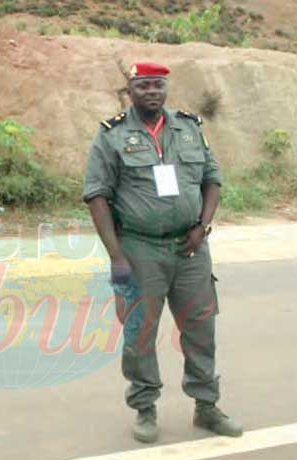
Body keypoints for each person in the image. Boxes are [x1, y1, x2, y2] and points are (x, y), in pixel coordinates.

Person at [82, 62, 242, 443]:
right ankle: (144, 407)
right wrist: (116, 256)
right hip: (140, 248)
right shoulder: (112, 135)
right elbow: (97, 196)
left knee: (200, 328)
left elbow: (212, 179)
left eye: (158, 85)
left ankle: (206, 406)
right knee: (140, 333)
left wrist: (202, 226)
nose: (152, 91)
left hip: (189, 248)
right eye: (143, 86)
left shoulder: (189, 127)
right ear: (130, 91)